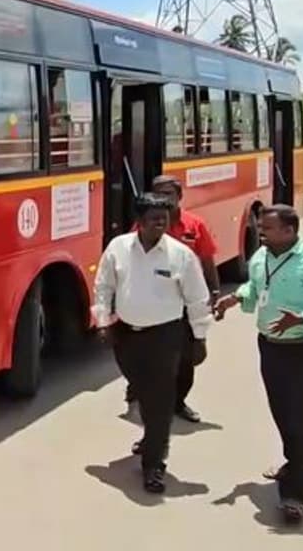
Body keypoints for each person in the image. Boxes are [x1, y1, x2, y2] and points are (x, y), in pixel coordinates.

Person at [214, 204, 303, 524]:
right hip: (269, 346)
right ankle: (293, 462)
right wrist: (237, 297)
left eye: (268, 228)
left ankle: (296, 495)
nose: (260, 231)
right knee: (282, 414)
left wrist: (302, 319)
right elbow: (256, 288)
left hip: (302, 349)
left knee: (301, 420)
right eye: (261, 226)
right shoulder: (261, 257)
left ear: (289, 231)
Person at [92, 193, 212, 493]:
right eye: (154, 218)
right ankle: (152, 439)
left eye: (165, 218)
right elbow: (104, 286)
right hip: (126, 336)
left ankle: (154, 464)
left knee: (159, 399)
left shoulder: (181, 255)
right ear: (139, 221)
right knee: (144, 393)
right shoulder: (118, 247)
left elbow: (197, 298)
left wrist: (199, 337)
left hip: (165, 337)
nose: (161, 223)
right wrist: (103, 322)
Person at [124, 175, 223, 423]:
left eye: (168, 194)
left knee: (186, 358)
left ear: (179, 196)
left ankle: (178, 402)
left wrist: (214, 291)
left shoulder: (195, 225)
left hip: (186, 302)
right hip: (152, 301)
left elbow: (207, 260)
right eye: (158, 193)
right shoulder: (143, 225)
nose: (163, 199)